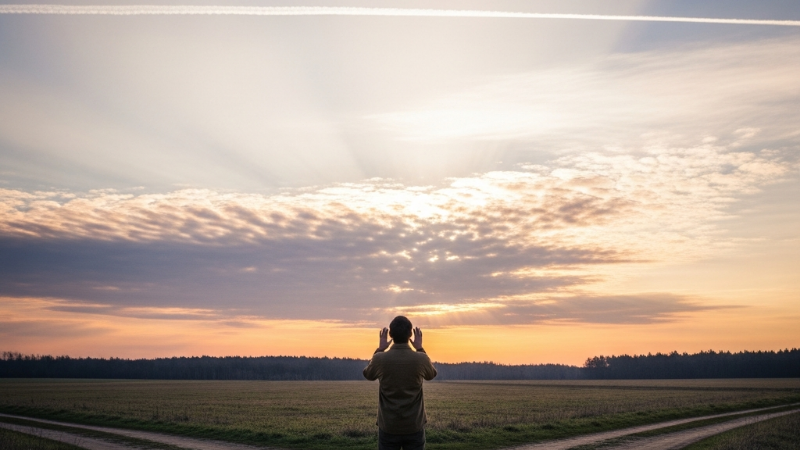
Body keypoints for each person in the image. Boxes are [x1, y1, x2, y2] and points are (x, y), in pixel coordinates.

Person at [363, 316, 437, 450]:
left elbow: (368, 374)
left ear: (390, 334)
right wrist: (420, 348)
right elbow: (431, 375)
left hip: (388, 426)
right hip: (414, 425)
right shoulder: (421, 359)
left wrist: (380, 349)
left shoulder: (380, 359)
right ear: (410, 334)